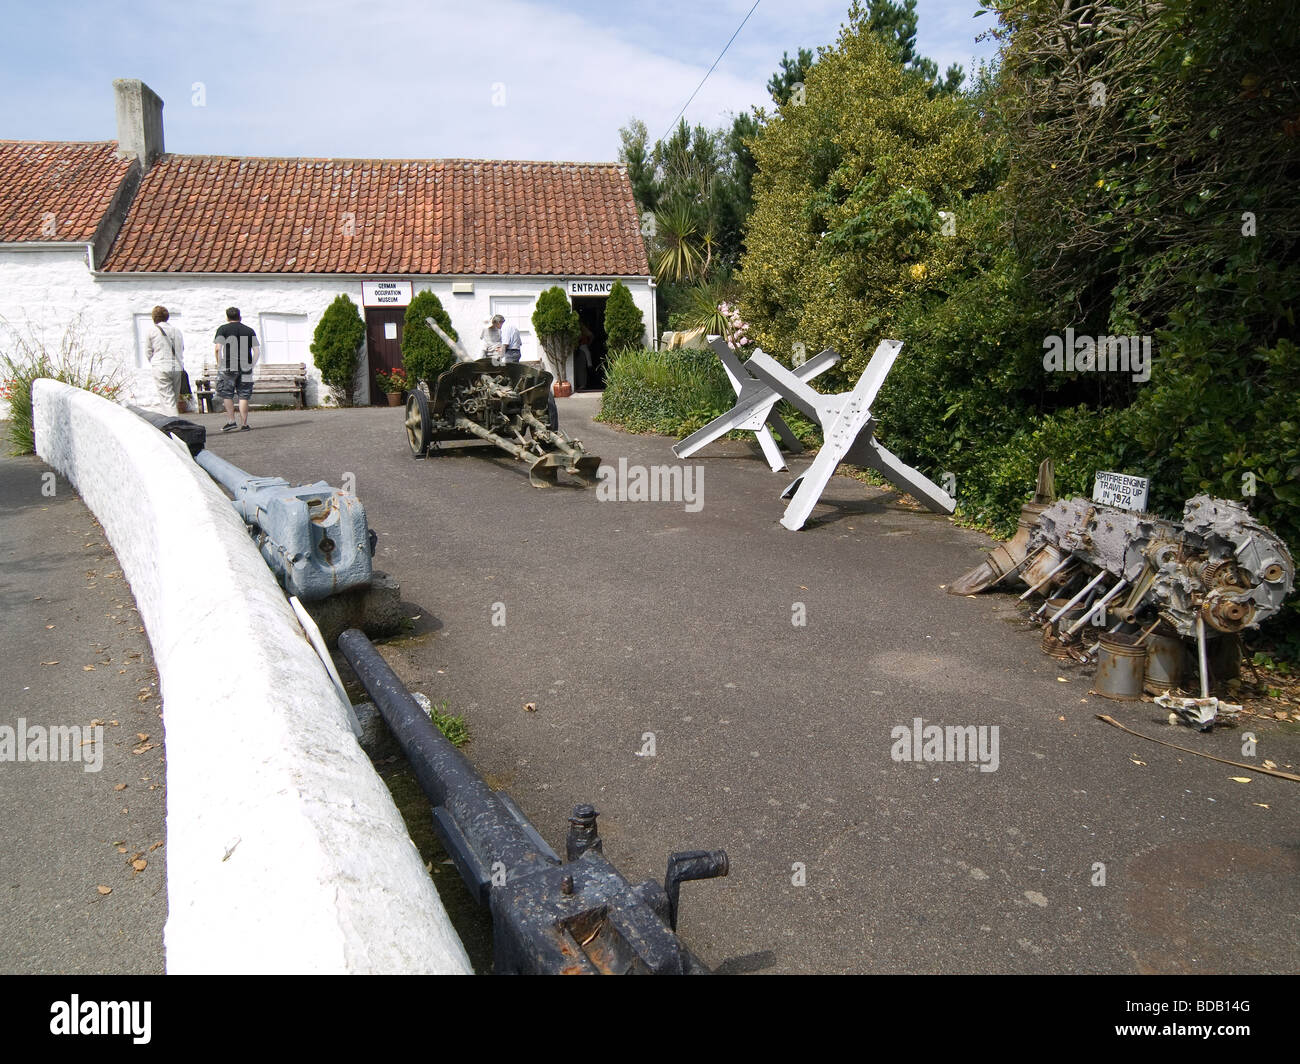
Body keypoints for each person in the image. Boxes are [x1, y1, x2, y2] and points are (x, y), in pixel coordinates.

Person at [213, 307, 260, 432]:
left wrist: (219, 364)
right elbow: (256, 351)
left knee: (227, 394)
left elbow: (218, 348)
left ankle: (231, 421)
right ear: (240, 317)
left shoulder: (223, 329)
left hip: (229, 366)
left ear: (227, 317)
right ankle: (244, 424)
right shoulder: (250, 330)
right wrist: (252, 364)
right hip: (246, 366)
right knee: (243, 395)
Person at [146, 306, 185, 415]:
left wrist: (154, 362)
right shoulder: (177, 331)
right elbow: (181, 349)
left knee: (167, 400)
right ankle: (172, 422)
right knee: (174, 399)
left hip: (161, 366)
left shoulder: (152, 330)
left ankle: (174, 425)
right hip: (177, 366)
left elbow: (148, 352)